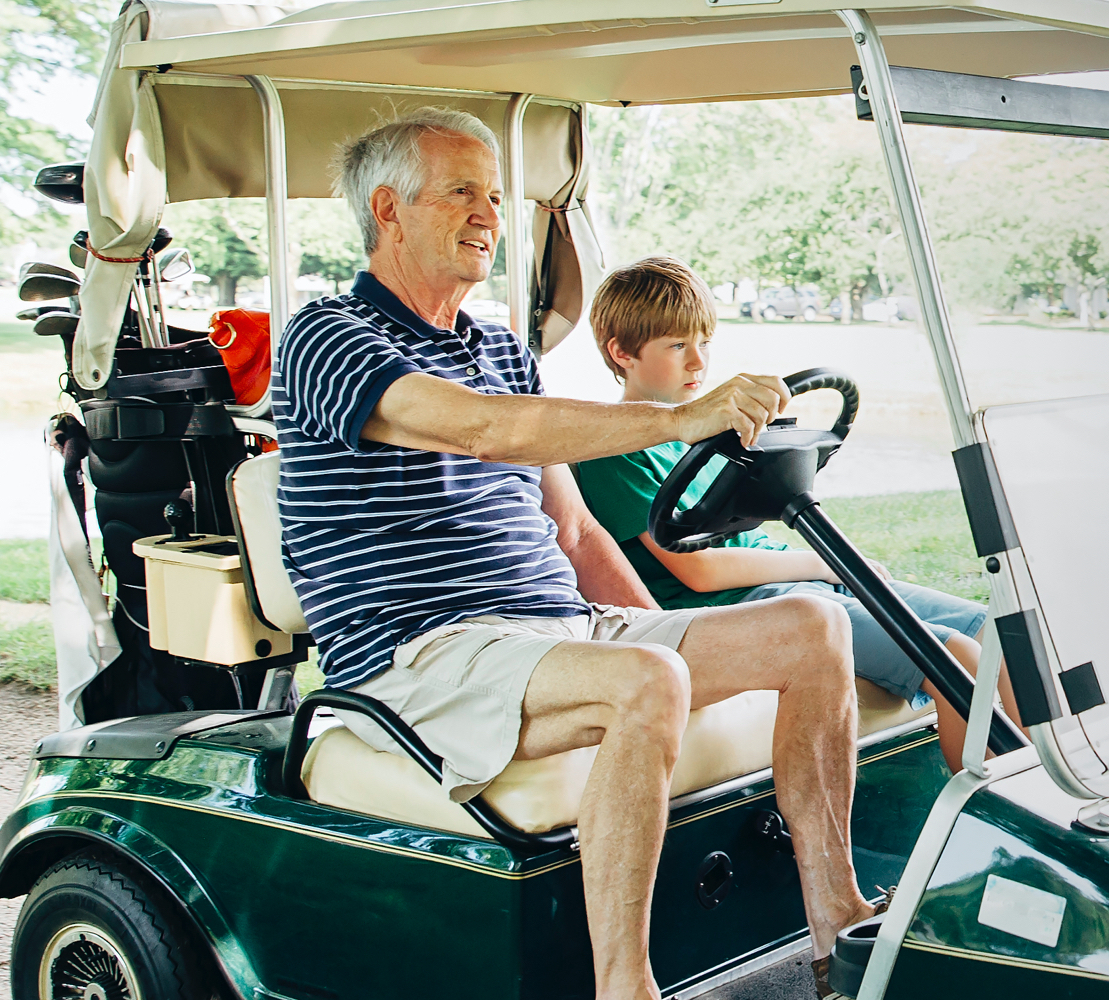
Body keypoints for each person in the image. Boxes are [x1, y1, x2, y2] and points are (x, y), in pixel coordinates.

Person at [266, 108, 873, 1000]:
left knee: (814, 629)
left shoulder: (501, 349)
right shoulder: (330, 336)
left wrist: (667, 629)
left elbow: (577, 532)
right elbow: (482, 431)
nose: (490, 214)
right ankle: (623, 986)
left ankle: (840, 931)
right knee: (641, 681)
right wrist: (677, 420)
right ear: (388, 209)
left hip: (551, 631)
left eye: (497, 195)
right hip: (417, 653)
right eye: (463, 192)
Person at [568, 257, 1002, 772]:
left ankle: (1042, 801)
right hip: (739, 608)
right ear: (623, 353)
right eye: (677, 345)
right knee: (958, 662)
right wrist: (823, 564)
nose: (697, 363)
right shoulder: (612, 452)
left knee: (999, 638)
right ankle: (992, 825)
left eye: (704, 343)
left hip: (787, 583)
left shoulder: (702, 437)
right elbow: (701, 570)